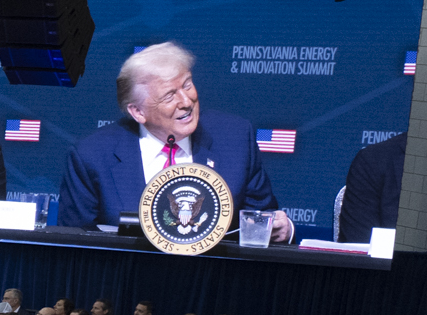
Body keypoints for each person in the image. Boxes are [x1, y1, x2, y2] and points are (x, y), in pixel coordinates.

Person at [55, 42, 292, 240]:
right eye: (169, 96)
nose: (186, 101)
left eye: (187, 85)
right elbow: (74, 245)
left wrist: (282, 229)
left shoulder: (235, 138)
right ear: (138, 112)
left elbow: (263, 220)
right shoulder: (92, 156)